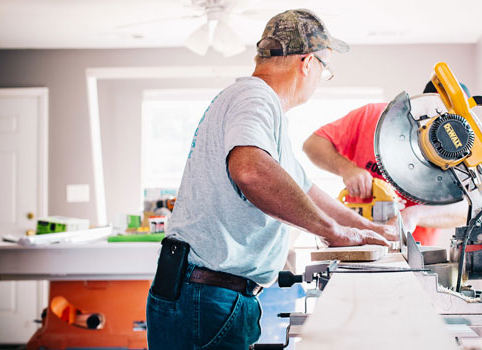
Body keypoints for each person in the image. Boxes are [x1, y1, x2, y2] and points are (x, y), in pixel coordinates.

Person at [145, 9, 394, 350]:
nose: (321, 78)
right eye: (325, 68)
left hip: (207, 293)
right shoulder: (255, 97)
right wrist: (333, 233)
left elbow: (306, 189)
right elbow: (251, 171)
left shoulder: (259, 107)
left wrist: (369, 231)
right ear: (307, 62)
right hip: (207, 296)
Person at [303, 82, 471, 246]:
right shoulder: (373, 116)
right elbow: (313, 144)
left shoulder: (459, 152)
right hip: (355, 241)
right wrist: (346, 168)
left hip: (414, 252)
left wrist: (415, 215)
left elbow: (467, 209)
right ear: (421, 102)